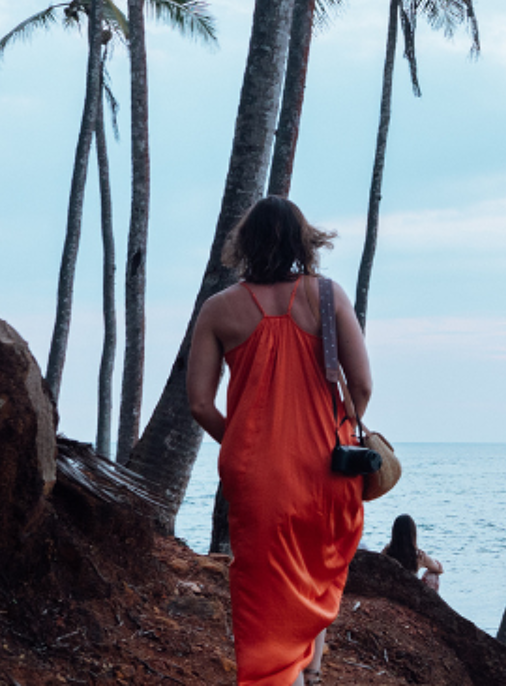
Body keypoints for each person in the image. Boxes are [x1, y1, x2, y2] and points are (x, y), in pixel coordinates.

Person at [189, 197, 372, 686]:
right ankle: (307, 668)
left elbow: (200, 404)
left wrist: (248, 441)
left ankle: (280, 674)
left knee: (265, 584)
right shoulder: (327, 297)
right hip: (324, 466)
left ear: (244, 245)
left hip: (256, 473)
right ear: (303, 241)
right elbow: (363, 386)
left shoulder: (218, 310)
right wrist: (335, 430)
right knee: (318, 564)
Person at [380, 513, 444, 593]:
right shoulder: (418, 555)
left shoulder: (387, 552)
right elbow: (439, 569)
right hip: (412, 596)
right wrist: (425, 563)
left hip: (391, 594)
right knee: (433, 575)